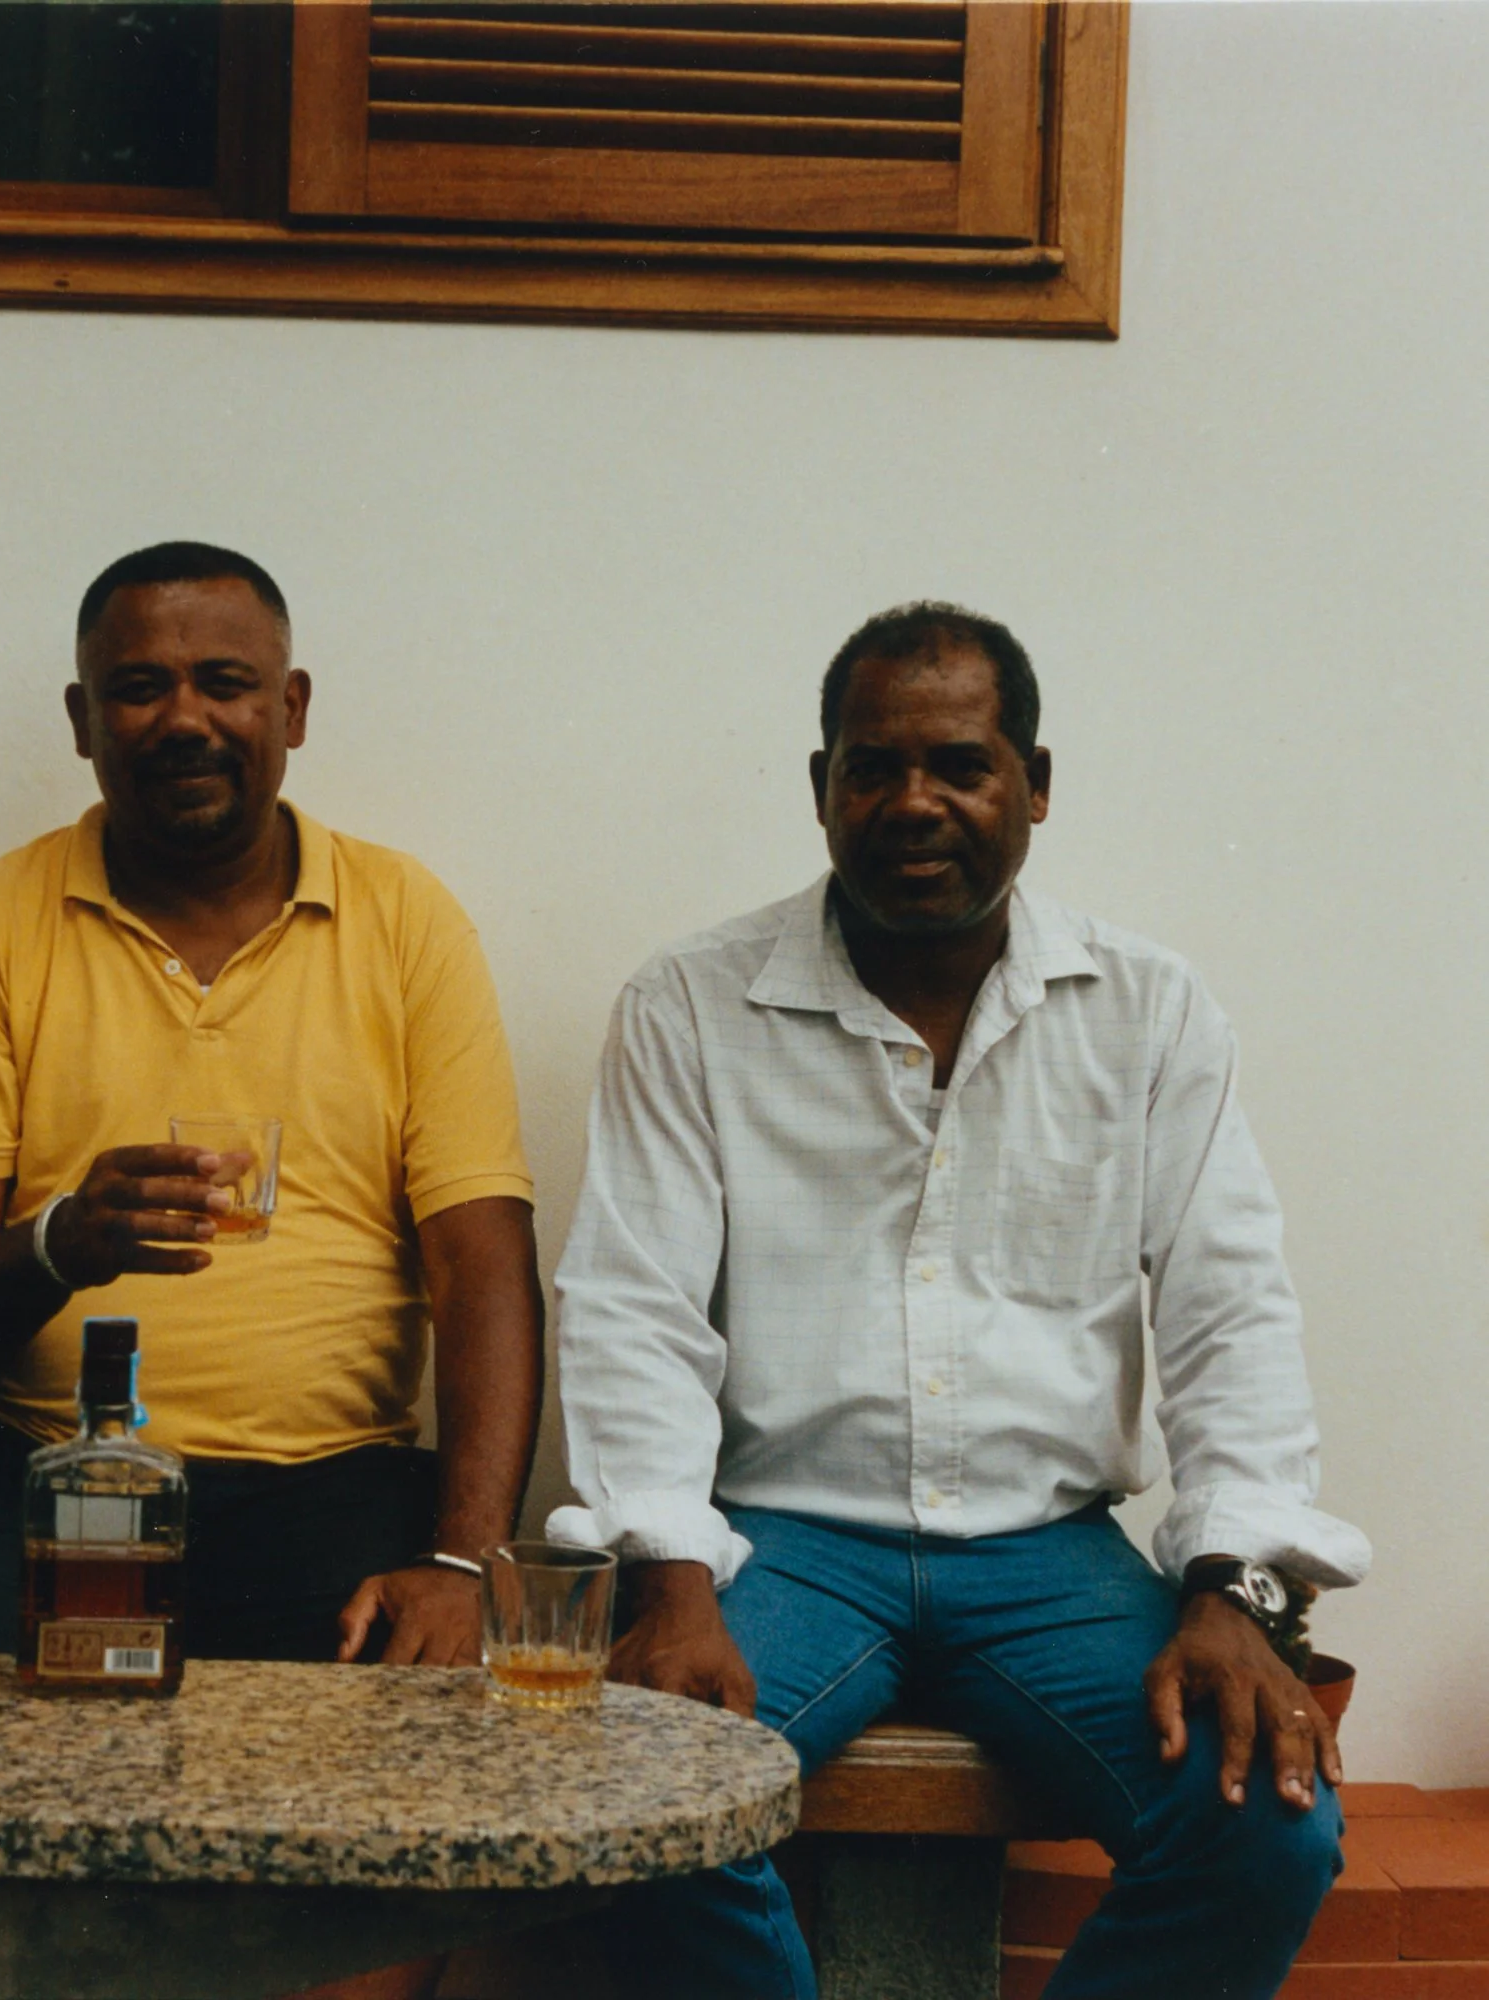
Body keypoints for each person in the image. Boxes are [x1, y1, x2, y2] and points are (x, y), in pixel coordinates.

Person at [551, 603, 1370, 2000]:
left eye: (961, 765)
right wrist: (670, 1581)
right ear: (822, 790)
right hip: (783, 1550)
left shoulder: (1149, 1010)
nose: (913, 801)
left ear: (1034, 787)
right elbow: (634, 1309)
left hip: (1049, 1560)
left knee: (1266, 1824)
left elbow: (1231, 1315)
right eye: (873, 766)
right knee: (635, 1802)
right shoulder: (693, 1004)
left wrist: (1232, 1586)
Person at [0, 540, 543, 1671]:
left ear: (292, 707)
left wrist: (469, 1559)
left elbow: (481, 1263)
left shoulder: (405, 919)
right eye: (139, 688)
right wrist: (59, 1243)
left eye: (224, 683)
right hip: (35, 1464)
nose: (185, 719)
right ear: (83, 720)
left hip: (331, 1481)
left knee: (379, 1772)